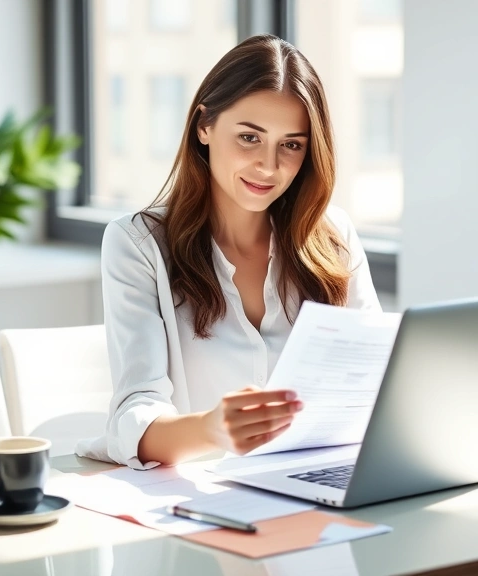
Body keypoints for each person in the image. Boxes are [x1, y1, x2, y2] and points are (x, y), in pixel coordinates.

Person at [75, 34, 380, 470]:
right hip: (198, 501)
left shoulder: (334, 237)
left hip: (312, 484)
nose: (269, 166)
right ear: (204, 126)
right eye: (249, 137)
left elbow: (373, 382)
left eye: (291, 145)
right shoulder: (138, 245)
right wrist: (212, 430)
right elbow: (133, 415)